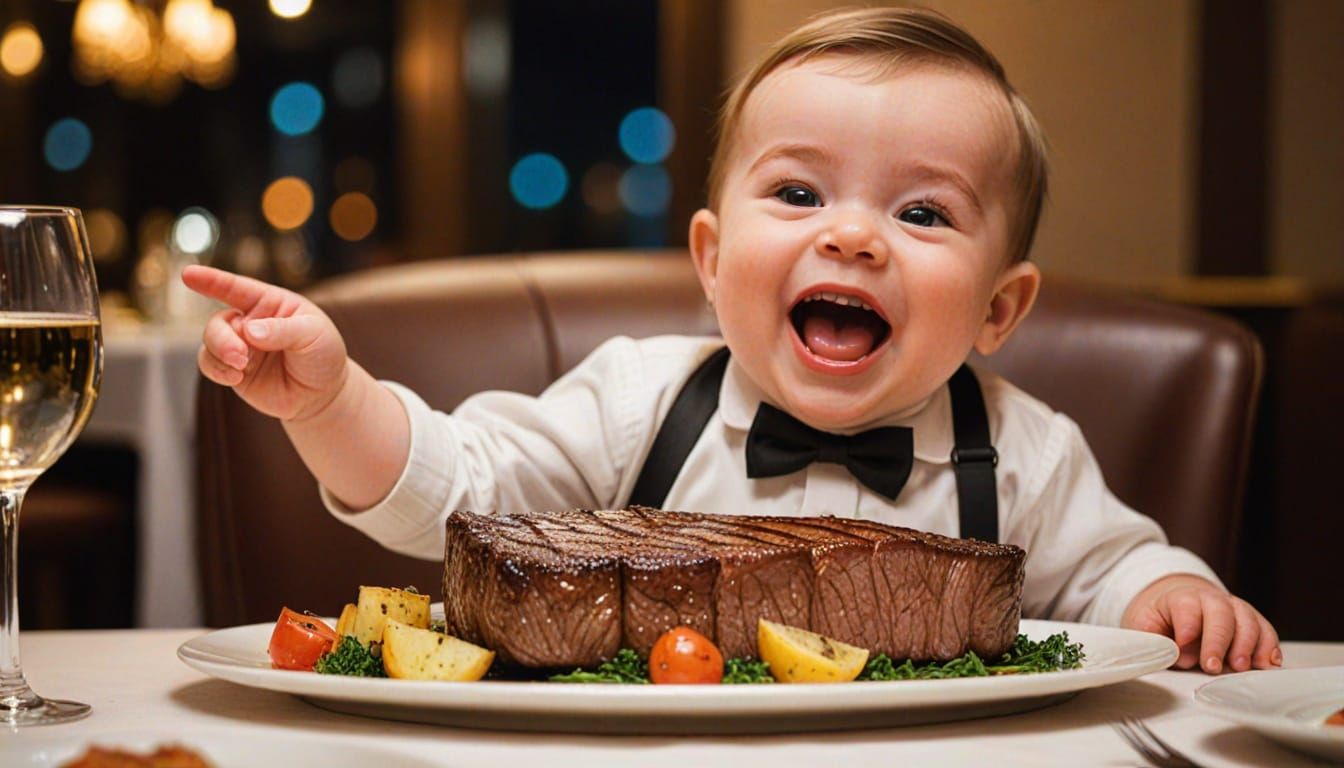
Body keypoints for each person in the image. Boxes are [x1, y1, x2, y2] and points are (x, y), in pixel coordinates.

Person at [183, 6, 1279, 674]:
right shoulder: (639, 400)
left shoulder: (1028, 450)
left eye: (924, 213)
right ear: (710, 260)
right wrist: (332, 406)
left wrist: (1170, 593)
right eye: (798, 192)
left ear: (1000, 310)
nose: (852, 235)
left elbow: (1118, 568)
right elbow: (457, 491)